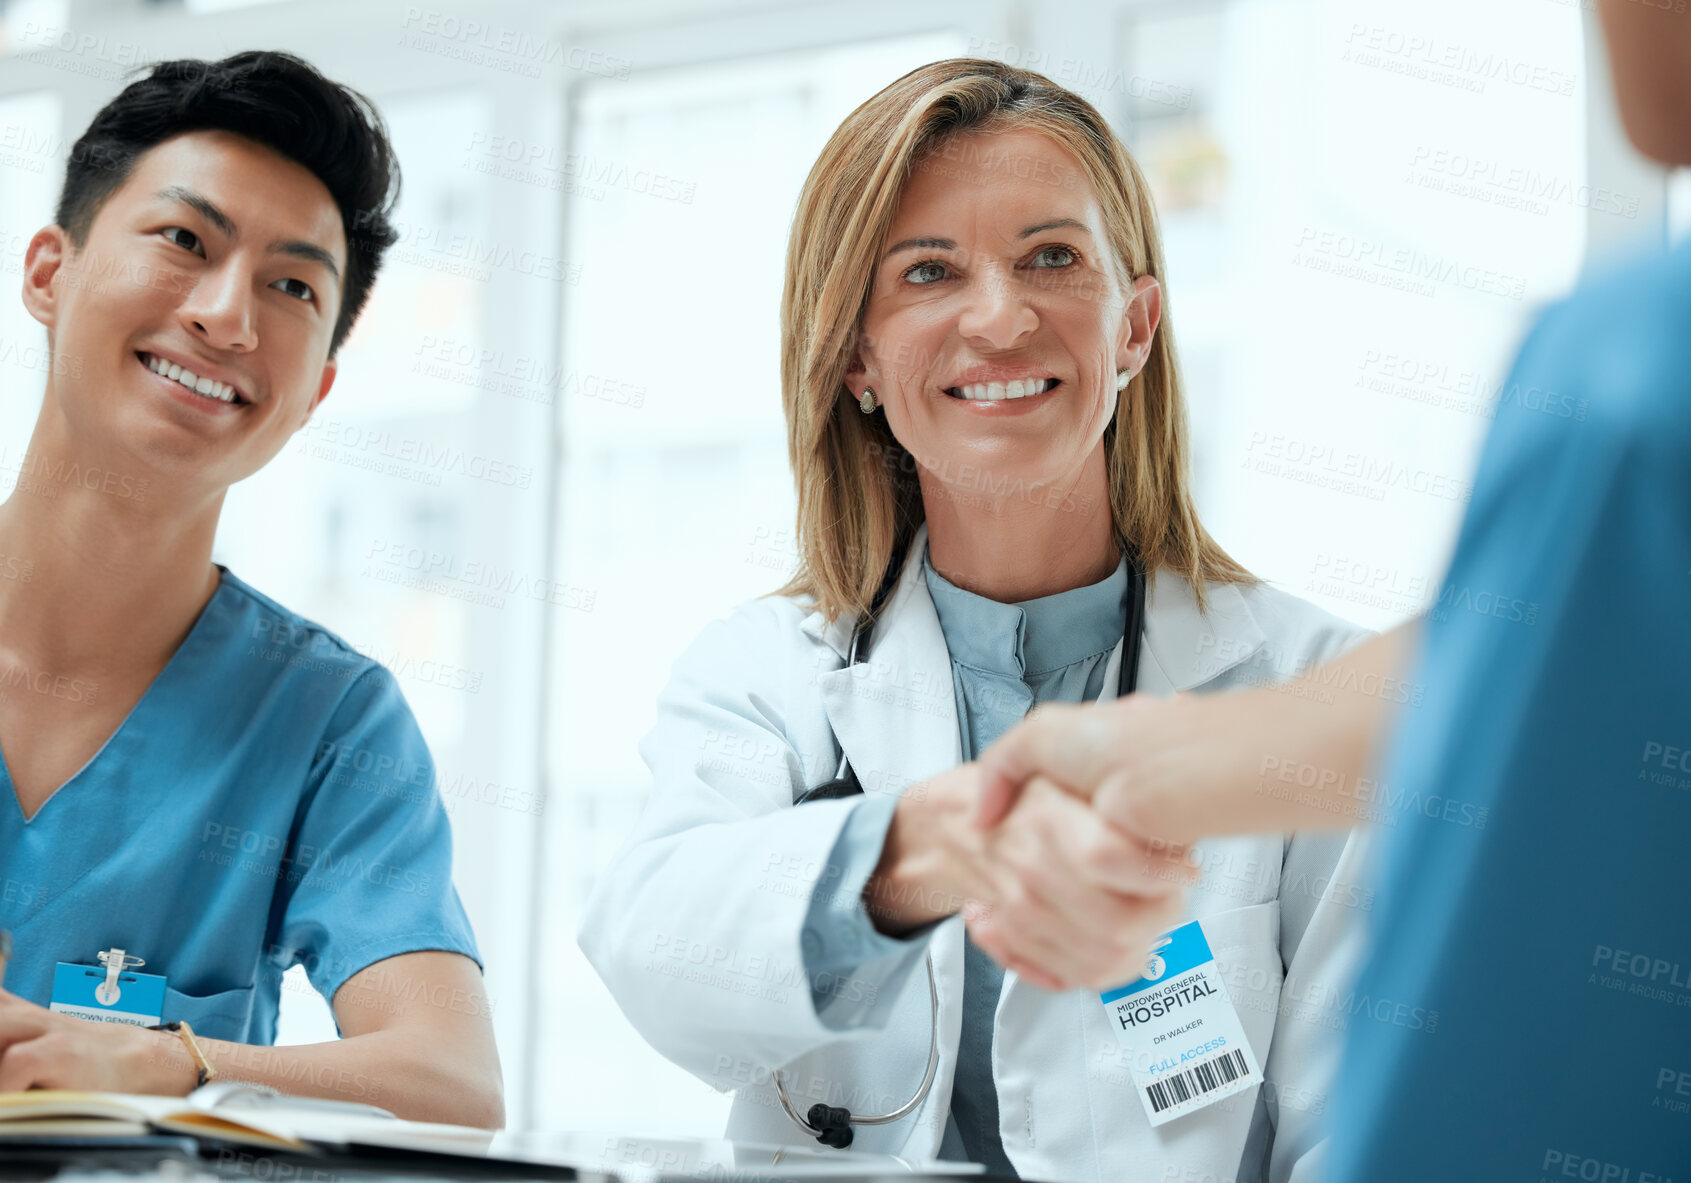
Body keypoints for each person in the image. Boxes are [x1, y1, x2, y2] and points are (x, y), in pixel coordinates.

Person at [582, 59, 1375, 1181]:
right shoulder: (764, 673)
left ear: (1135, 327)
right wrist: (929, 848)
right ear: (854, 355)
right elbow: (650, 947)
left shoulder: (1307, 689)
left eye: (1051, 257)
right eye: (926, 272)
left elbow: (1362, 1128)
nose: (998, 318)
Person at [974, 1, 1691, 1176]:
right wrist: (1158, 769)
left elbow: (1492, 1108)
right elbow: (1514, 665)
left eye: (1053, 257)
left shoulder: (1635, 367)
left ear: (1137, 325)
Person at [0, 51, 502, 1126]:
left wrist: (171, 1061)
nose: (228, 319)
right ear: (49, 272)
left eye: (291, 287)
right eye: (185, 241)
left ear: (314, 388)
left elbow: (452, 1085)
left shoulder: (325, 721)